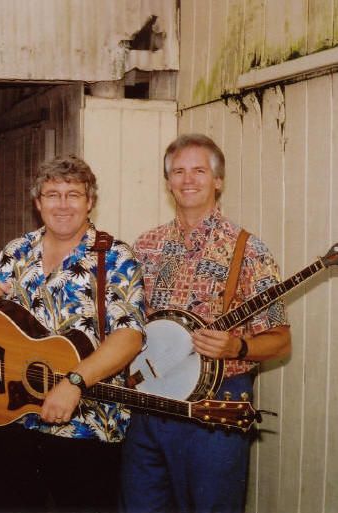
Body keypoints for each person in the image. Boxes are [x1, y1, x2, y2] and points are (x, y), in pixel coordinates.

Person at [120, 133, 291, 513]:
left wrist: (238, 347)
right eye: (178, 171)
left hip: (216, 408)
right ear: (168, 182)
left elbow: (281, 340)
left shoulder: (248, 250)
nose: (188, 180)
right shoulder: (145, 245)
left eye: (199, 171)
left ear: (218, 181)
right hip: (150, 402)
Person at [0, 155, 146, 513]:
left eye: (73, 195)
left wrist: (75, 383)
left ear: (90, 201)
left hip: (89, 428)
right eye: (52, 194)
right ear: (38, 203)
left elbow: (130, 336)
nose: (62, 205)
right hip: (15, 419)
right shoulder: (16, 252)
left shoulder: (115, 257)